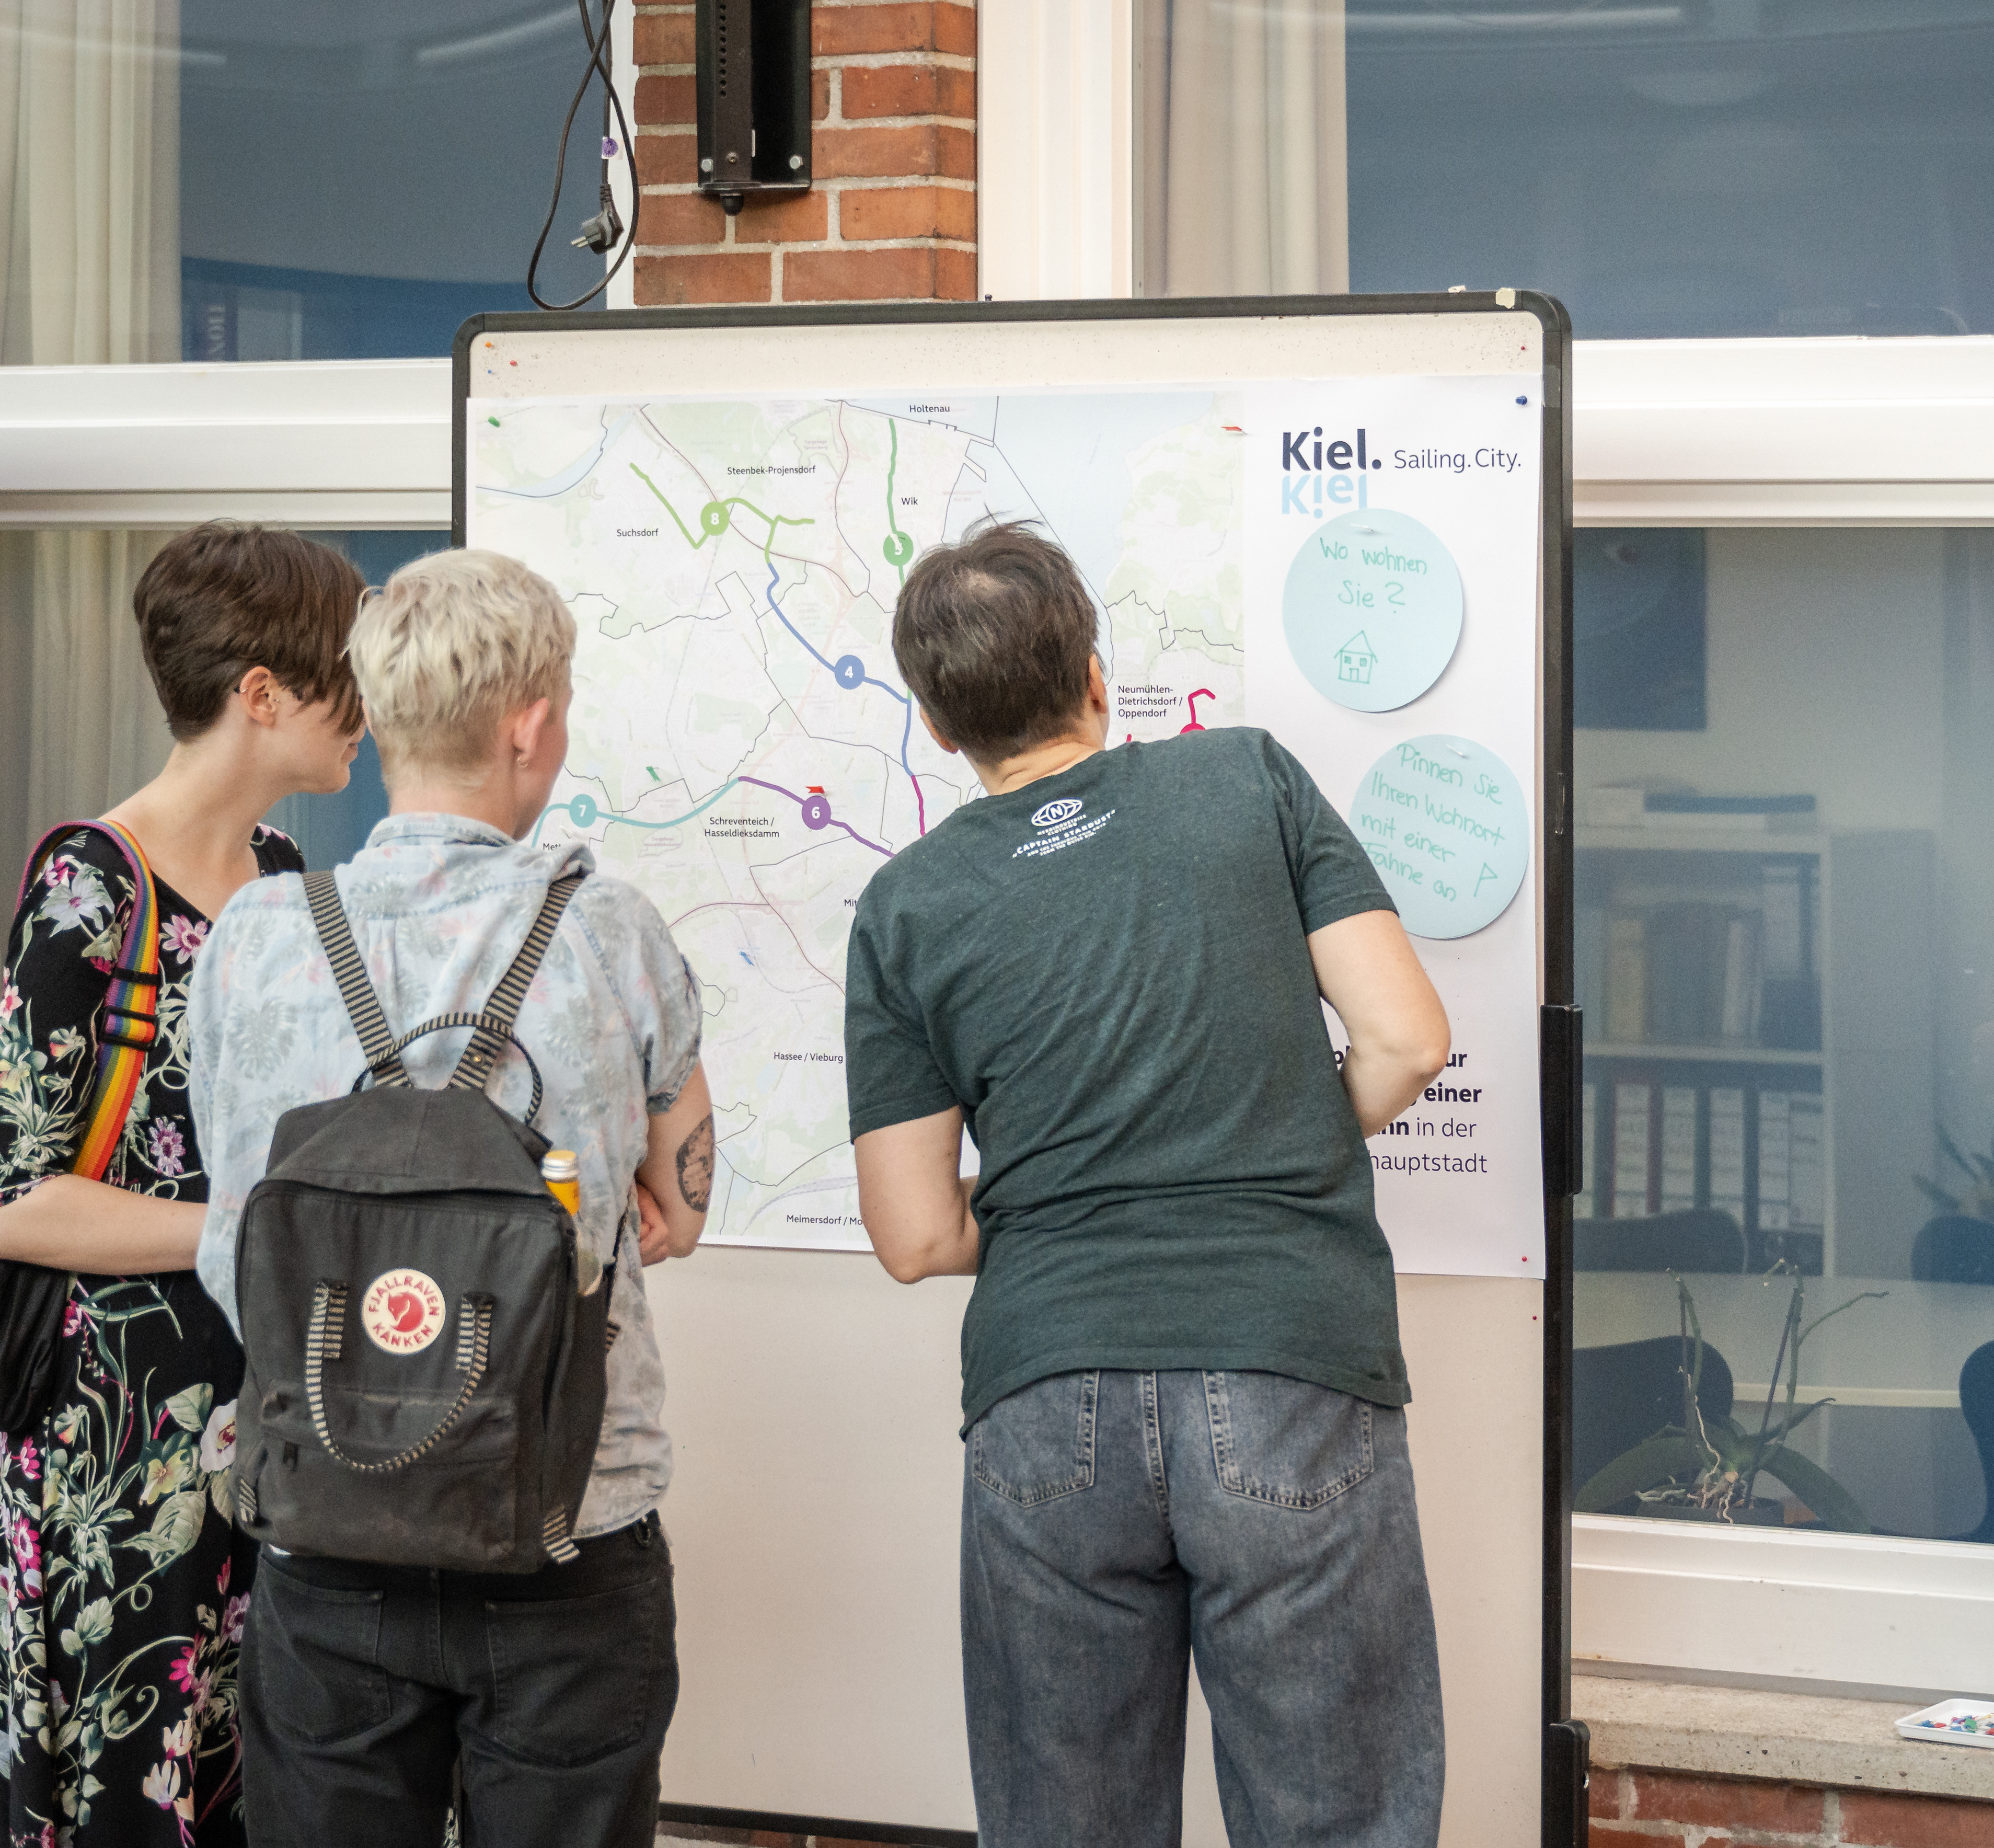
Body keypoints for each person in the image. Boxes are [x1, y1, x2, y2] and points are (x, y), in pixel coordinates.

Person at [845, 524, 1453, 1848]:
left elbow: (914, 1233)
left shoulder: (907, 905)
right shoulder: (1246, 780)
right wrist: (1271, 1133)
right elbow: (1408, 1041)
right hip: (1289, 1361)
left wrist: (1069, 1200)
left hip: (1043, 1389)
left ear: (943, 729)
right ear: (1095, 674)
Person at [183, 549, 715, 1848]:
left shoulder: (254, 933)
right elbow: (683, 1202)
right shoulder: (610, 931)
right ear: (530, 724)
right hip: (564, 1537)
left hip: (321, 1523)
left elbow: (235, 1214)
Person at [0, 523, 367, 1844]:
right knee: (129, 1788)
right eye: (345, 678)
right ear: (260, 694)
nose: (367, 718)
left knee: (255, 1771)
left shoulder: (284, 886)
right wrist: (250, 1231)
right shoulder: (90, 885)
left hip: (257, 1417)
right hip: (114, 1433)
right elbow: (14, 1192)